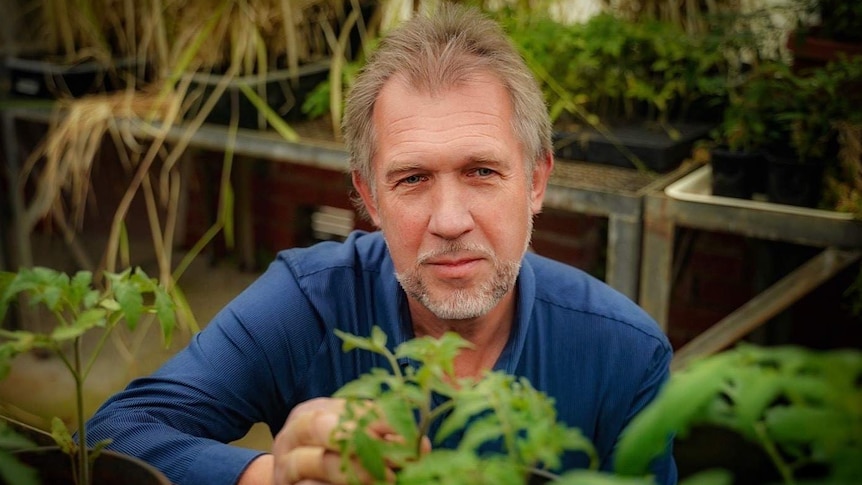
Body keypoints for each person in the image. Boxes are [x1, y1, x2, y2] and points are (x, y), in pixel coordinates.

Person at [85, 4, 676, 484]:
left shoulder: (623, 354)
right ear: (369, 197)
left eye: (482, 172)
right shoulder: (307, 303)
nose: (449, 221)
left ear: (537, 182)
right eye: (412, 179)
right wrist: (271, 476)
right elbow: (114, 434)